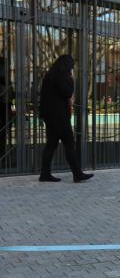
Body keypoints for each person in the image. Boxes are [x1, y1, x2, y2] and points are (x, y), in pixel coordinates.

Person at [39, 55, 93, 183]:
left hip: (50, 116)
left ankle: (44, 174)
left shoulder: (49, 75)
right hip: (59, 116)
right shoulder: (61, 76)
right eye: (71, 67)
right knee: (69, 143)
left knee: (51, 144)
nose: (72, 69)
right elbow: (68, 92)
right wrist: (72, 79)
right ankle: (77, 174)